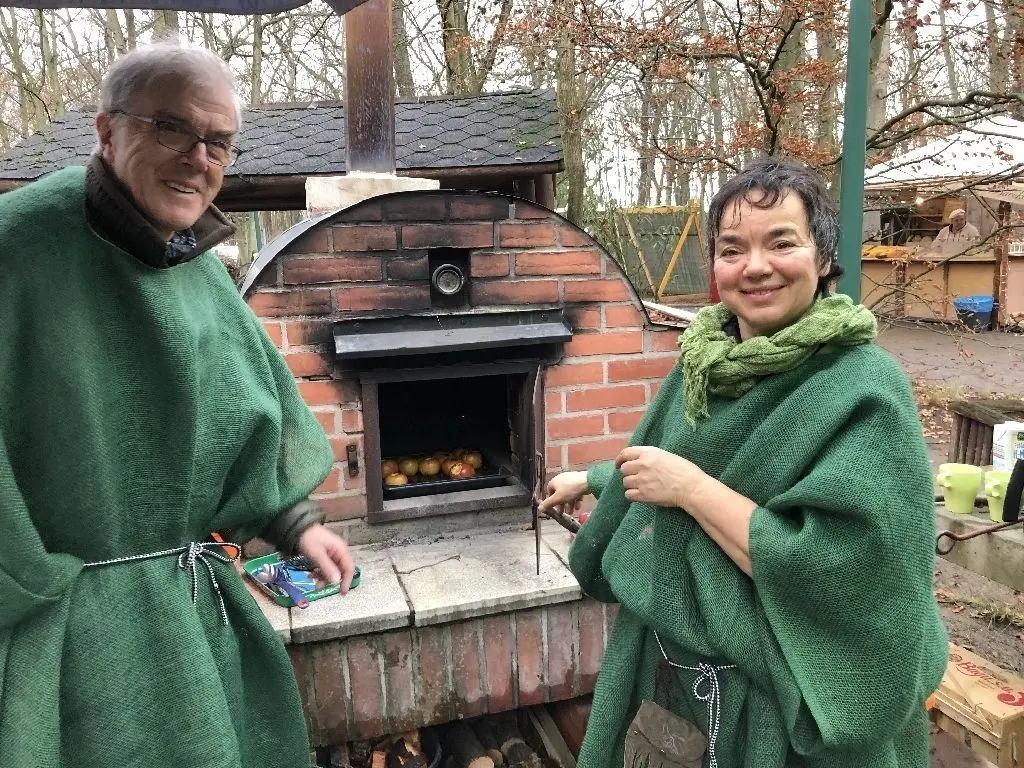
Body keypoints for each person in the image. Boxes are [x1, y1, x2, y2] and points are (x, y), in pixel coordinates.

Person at [0, 43, 355, 768]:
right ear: (106, 131)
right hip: (60, 631)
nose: (199, 157)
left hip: (191, 611)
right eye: (171, 128)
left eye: (218, 140)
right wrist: (34, 593)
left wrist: (292, 522)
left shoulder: (193, 260)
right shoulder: (18, 248)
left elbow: (240, 409)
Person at [540, 158, 948, 768]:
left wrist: (688, 490)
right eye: (732, 249)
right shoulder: (705, 364)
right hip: (674, 671)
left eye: (781, 242)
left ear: (823, 257)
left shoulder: (863, 389)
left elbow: (840, 570)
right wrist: (592, 478)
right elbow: (675, 458)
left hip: (777, 704)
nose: (755, 266)